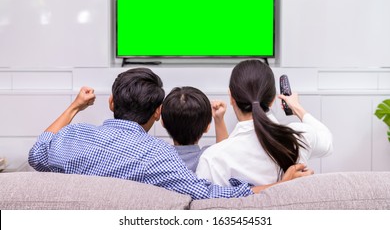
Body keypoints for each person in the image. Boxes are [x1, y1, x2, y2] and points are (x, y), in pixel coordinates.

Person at [28, 67, 312, 200]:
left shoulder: (72, 137)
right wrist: (279, 186)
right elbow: (212, 194)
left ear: (112, 103)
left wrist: (74, 107)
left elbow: (37, 153)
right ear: (157, 113)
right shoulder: (161, 158)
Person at [196, 59, 333, 187]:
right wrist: (296, 107)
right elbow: (327, 142)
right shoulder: (299, 137)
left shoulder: (212, 159)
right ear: (273, 99)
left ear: (231, 97)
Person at [161, 86, 229, 172]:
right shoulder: (207, 157)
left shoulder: (160, 158)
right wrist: (219, 119)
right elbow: (224, 151)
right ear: (207, 127)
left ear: (162, 123)